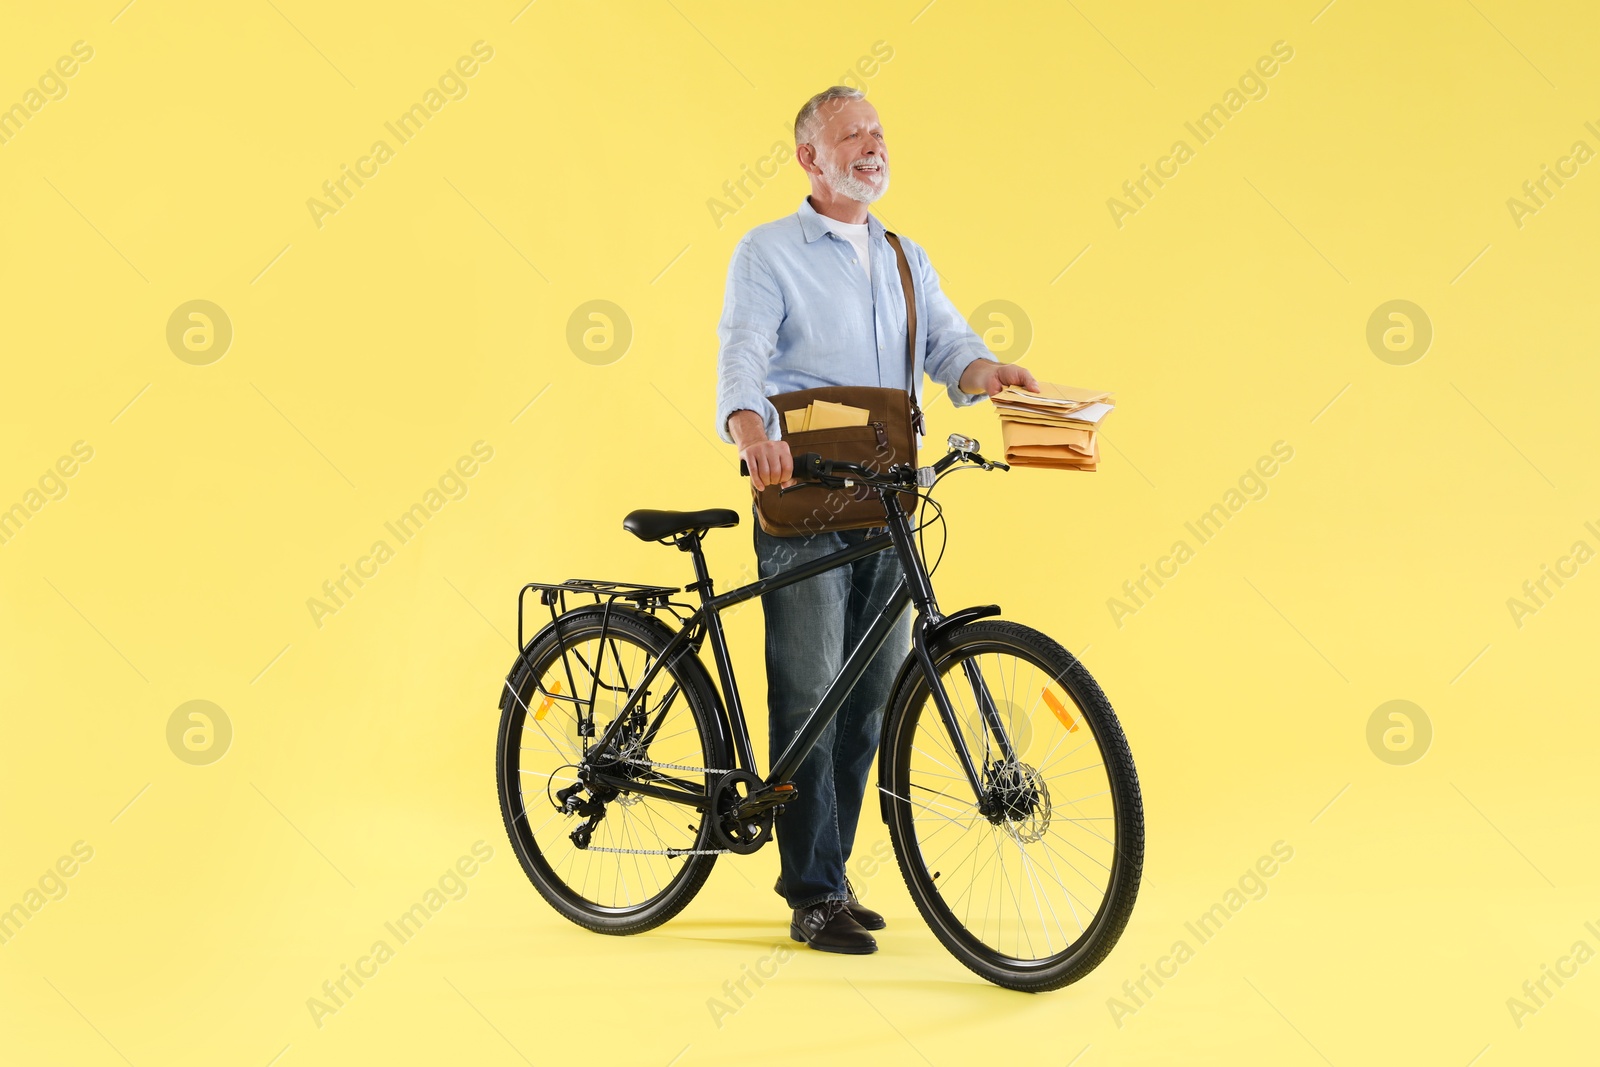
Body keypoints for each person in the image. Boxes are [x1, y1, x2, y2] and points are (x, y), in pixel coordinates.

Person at [714, 85, 1040, 954]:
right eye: (849, 134)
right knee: (810, 695)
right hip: (806, 497)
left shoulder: (903, 255)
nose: (871, 145)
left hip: (889, 501)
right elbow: (742, 350)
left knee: (871, 701)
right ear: (809, 158)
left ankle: (835, 870)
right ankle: (811, 889)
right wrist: (751, 427)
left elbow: (948, 347)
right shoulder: (767, 252)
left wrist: (987, 373)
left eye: (878, 131)